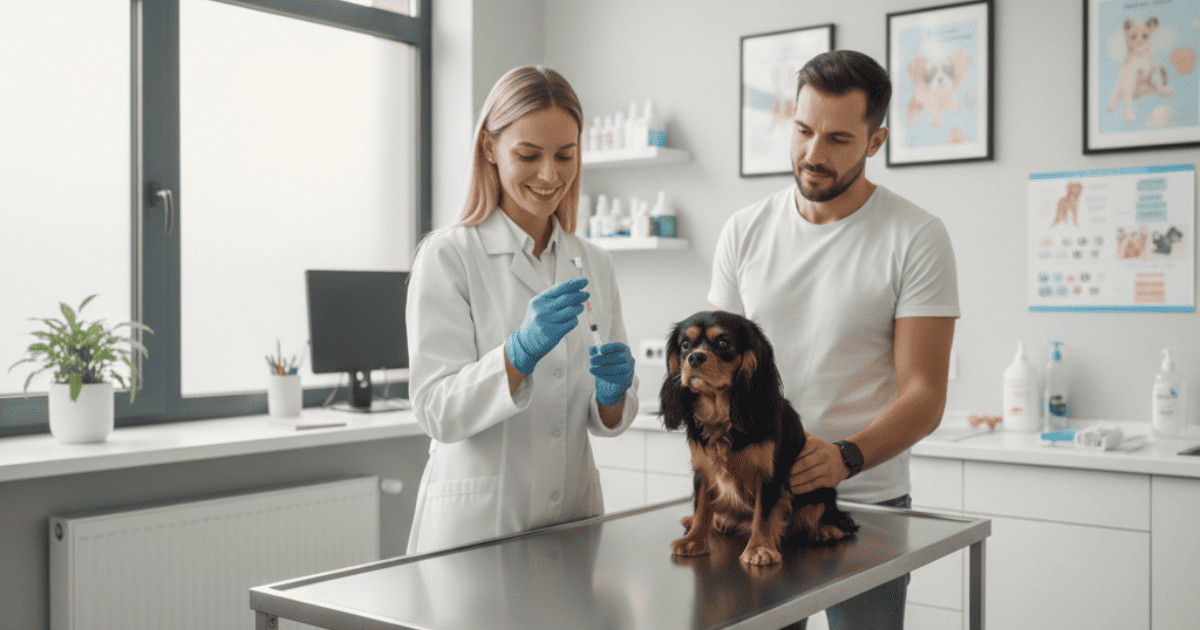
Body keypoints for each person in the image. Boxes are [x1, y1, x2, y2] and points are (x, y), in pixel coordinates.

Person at [708, 50, 959, 629]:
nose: (813, 155)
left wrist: (844, 458)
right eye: (802, 131)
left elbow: (925, 396)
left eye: (839, 140)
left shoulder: (915, 236)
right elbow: (722, 378)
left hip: (865, 504)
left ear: (876, 141)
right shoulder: (744, 232)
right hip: (756, 504)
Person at [405, 66, 638, 554]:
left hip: (571, 520)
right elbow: (435, 411)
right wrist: (517, 354)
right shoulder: (449, 256)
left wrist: (613, 395)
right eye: (528, 155)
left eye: (565, 155)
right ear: (490, 149)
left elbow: (605, 418)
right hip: (477, 528)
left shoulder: (593, 262)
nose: (550, 174)